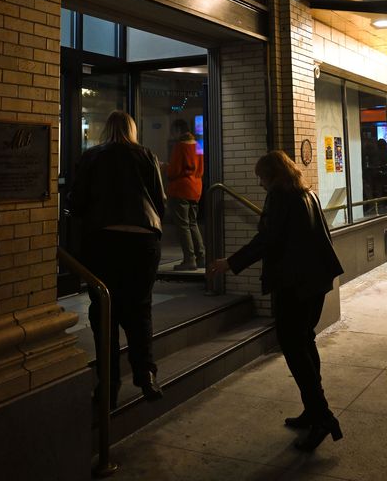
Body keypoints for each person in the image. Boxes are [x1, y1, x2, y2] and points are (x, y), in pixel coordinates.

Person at [207, 151, 345, 452]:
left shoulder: (279, 197)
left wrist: (230, 263)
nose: (259, 183)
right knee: (305, 342)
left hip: (294, 284)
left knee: (294, 347)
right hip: (316, 280)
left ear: (271, 175)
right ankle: (313, 410)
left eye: (261, 177)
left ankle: (322, 416)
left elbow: (266, 240)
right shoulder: (307, 194)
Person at [68, 110, 166, 406]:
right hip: (143, 239)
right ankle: (145, 374)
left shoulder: (92, 156)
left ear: (105, 129)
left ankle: (108, 384)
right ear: (132, 130)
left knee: (103, 310)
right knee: (140, 308)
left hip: (103, 240)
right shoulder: (146, 155)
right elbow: (159, 200)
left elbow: (77, 199)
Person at [166, 119, 205, 270]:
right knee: (192, 223)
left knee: (183, 225)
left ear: (177, 130)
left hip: (181, 189)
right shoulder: (198, 145)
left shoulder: (179, 147)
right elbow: (200, 169)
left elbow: (173, 171)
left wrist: (165, 168)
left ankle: (189, 259)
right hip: (195, 188)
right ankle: (201, 256)